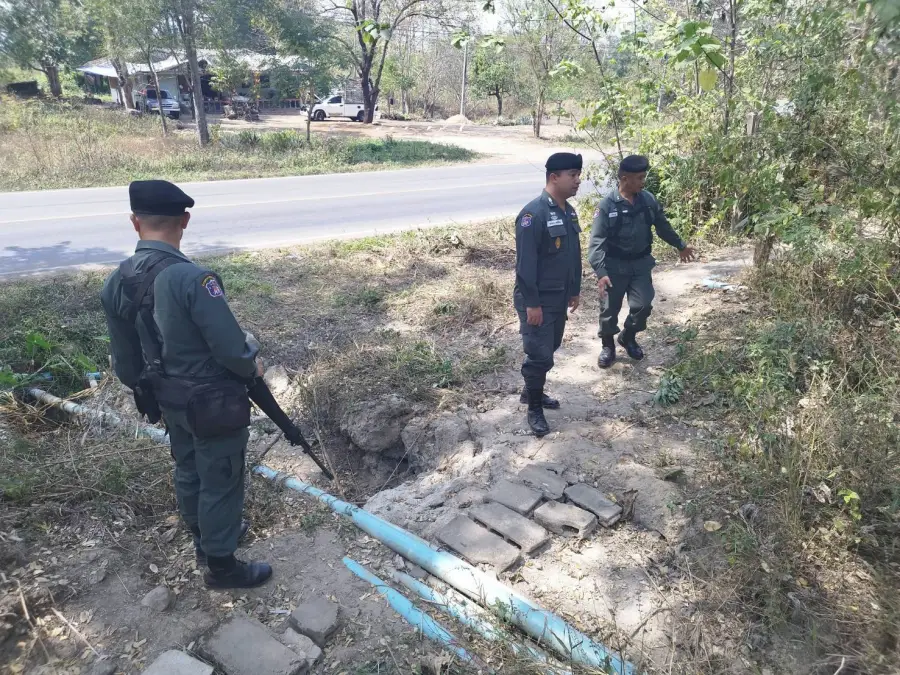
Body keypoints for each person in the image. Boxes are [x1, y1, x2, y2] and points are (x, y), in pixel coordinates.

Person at [100, 180, 272, 589]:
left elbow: (126, 363)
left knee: (189, 470)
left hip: (167, 398)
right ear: (185, 221)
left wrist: (150, 387)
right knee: (221, 478)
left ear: (135, 222)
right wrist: (253, 366)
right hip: (213, 403)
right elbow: (231, 350)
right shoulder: (193, 279)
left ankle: (203, 541)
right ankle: (222, 566)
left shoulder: (117, 281)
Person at [588, 155, 696, 368]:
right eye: (639, 178)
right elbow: (596, 242)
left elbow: (663, 226)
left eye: (643, 177)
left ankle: (628, 336)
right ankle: (608, 345)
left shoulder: (648, 201)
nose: (643, 182)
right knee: (609, 309)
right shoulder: (607, 206)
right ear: (624, 179)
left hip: (640, 264)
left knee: (643, 305)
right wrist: (601, 272)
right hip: (614, 266)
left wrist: (680, 245)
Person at [514, 152, 583, 436]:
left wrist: (575, 289)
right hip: (538, 300)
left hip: (558, 297)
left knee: (549, 347)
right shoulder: (533, 215)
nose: (578, 181)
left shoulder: (568, 211)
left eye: (578, 175)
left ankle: (531, 389)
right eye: (573, 175)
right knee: (540, 355)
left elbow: (573, 255)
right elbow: (525, 266)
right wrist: (532, 304)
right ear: (554, 177)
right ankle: (534, 407)